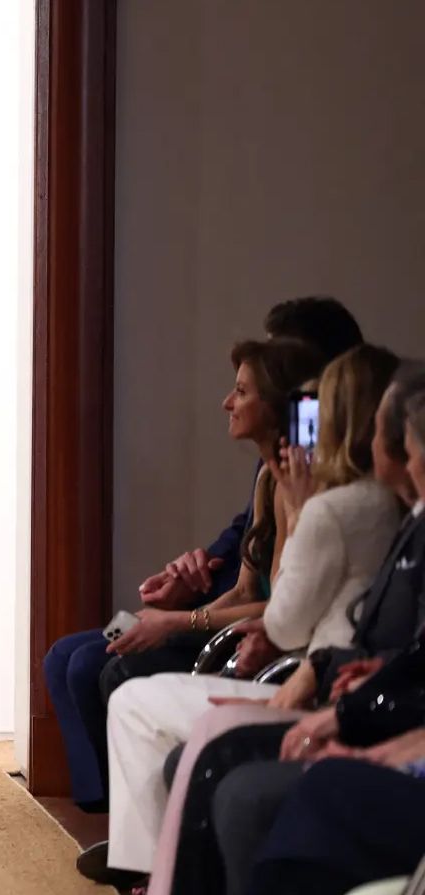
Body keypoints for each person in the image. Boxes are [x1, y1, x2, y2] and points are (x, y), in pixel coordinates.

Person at [97, 345, 404, 880]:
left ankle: (147, 872)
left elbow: (285, 620)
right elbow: (255, 590)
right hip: (305, 667)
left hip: (311, 680)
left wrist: (300, 510)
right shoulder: (379, 501)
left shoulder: (330, 507)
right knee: (112, 677)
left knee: (133, 701)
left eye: (316, 415)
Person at [48, 301, 361, 812]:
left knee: (106, 666)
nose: (226, 402)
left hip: (268, 640)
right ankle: (112, 817)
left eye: (243, 389)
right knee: (69, 653)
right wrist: (184, 578)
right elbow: (242, 565)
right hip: (227, 610)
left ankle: (140, 825)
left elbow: (286, 605)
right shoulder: (268, 475)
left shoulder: (315, 484)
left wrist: (173, 622)